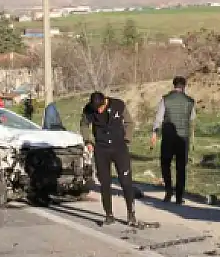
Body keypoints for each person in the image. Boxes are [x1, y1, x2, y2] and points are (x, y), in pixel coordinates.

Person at [81, 91, 139, 226]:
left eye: (101, 108)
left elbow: (129, 122)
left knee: (126, 182)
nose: (99, 111)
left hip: (119, 147)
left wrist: (127, 139)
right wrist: (88, 141)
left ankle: (131, 214)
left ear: (105, 102)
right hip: (101, 149)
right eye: (97, 110)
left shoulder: (118, 105)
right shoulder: (88, 109)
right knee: (105, 183)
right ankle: (109, 214)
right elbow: (84, 125)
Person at [150, 76, 196, 204]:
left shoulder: (166, 99)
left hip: (168, 137)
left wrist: (154, 133)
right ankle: (180, 197)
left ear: (173, 85)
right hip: (183, 137)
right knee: (181, 167)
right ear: (184, 86)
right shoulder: (190, 101)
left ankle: (168, 192)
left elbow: (159, 118)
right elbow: (192, 117)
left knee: (166, 164)